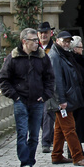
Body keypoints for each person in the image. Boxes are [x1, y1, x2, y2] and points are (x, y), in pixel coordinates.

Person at [0, 28, 54, 167]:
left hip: (37, 101)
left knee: (35, 134)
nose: (37, 42)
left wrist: (45, 95)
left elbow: (50, 78)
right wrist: (15, 96)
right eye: (34, 40)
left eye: (37, 40)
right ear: (24, 41)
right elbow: (4, 80)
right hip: (20, 100)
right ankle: (24, 162)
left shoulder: (42, 57)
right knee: (22, 132)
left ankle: (30, 161)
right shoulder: (14, 57)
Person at [48, 32, 84, 167]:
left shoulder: (62, 54)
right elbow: (57, 81)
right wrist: (61, 100)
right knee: (69, 128)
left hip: (65, 97)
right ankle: (77, 156)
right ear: (57, 40)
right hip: (62, 99)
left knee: (59, 128)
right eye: (64, 41)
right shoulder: (55, 56)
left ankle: (56, 155)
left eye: (69, 41)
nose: (67, 43)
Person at [37, 23, 56, 153]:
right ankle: (52, 136)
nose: (43, 35)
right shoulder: (33, 48)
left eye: (46, 33)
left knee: (47, 113)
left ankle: (46, 142)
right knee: (39, 116)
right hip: (36, 86)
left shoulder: (54, 48)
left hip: (49, 86)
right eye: (41, 33)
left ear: (50, 33)